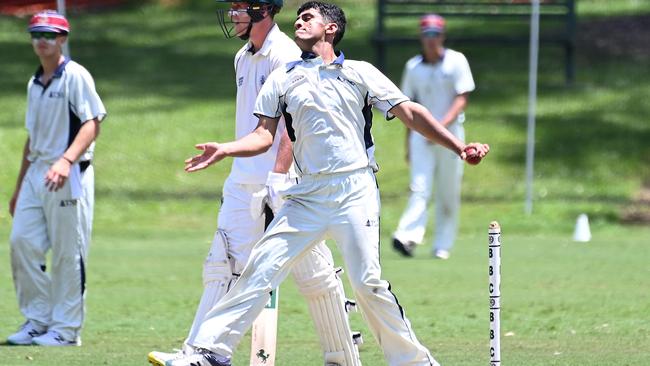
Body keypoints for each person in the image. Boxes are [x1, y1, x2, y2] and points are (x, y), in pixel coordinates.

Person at [167, 2, 489, 365]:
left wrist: (459, 147)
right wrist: (226, 149)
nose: (299, 23)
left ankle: (415, 362)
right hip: (307, 195)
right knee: (261, 265)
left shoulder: (359, 72)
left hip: (355, 190)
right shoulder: (282, 77)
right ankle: (211, 352)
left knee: (367, 284)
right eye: (298, 18)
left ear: (331, 29)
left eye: (308, 18)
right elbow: (262, 136)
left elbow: (410, 112)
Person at [148, 1, 361, 365]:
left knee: (315, 277)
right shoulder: (242, 58)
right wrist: (229, 152)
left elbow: (294, 124)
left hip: (282, 185)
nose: (233, 15)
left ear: (264, 9)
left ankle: (343, 356)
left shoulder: (287, 54)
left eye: (240, 8)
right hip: (243, 180)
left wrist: (279, 176)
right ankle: (198, 353)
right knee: (223, 264)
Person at [7, 10, 106, 347]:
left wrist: (66, 160)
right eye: (36, 35)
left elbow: (93, 123)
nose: (42, 41)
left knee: (68, 253)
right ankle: (37, 321)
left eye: (49, 35)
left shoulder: (75, 75)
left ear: (62, 39)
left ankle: (65, 330)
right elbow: (32, 139)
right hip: (37, 173)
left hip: (69, 173)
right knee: (22, 242)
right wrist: (19, 187)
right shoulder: (34, 82)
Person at [392, 14, 476, 260]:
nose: (431, 40)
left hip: (452, 137)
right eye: (427, 35)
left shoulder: (456, 61)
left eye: (435, 34)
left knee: (447, 191)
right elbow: (406, 106)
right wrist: (409, 142)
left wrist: (439, 126)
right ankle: (406, 236)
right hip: (421, 137)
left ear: (443, 36)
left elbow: (462, 98)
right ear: (421, 37)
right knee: (420, 187)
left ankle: (442, 244)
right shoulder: (413, 67)